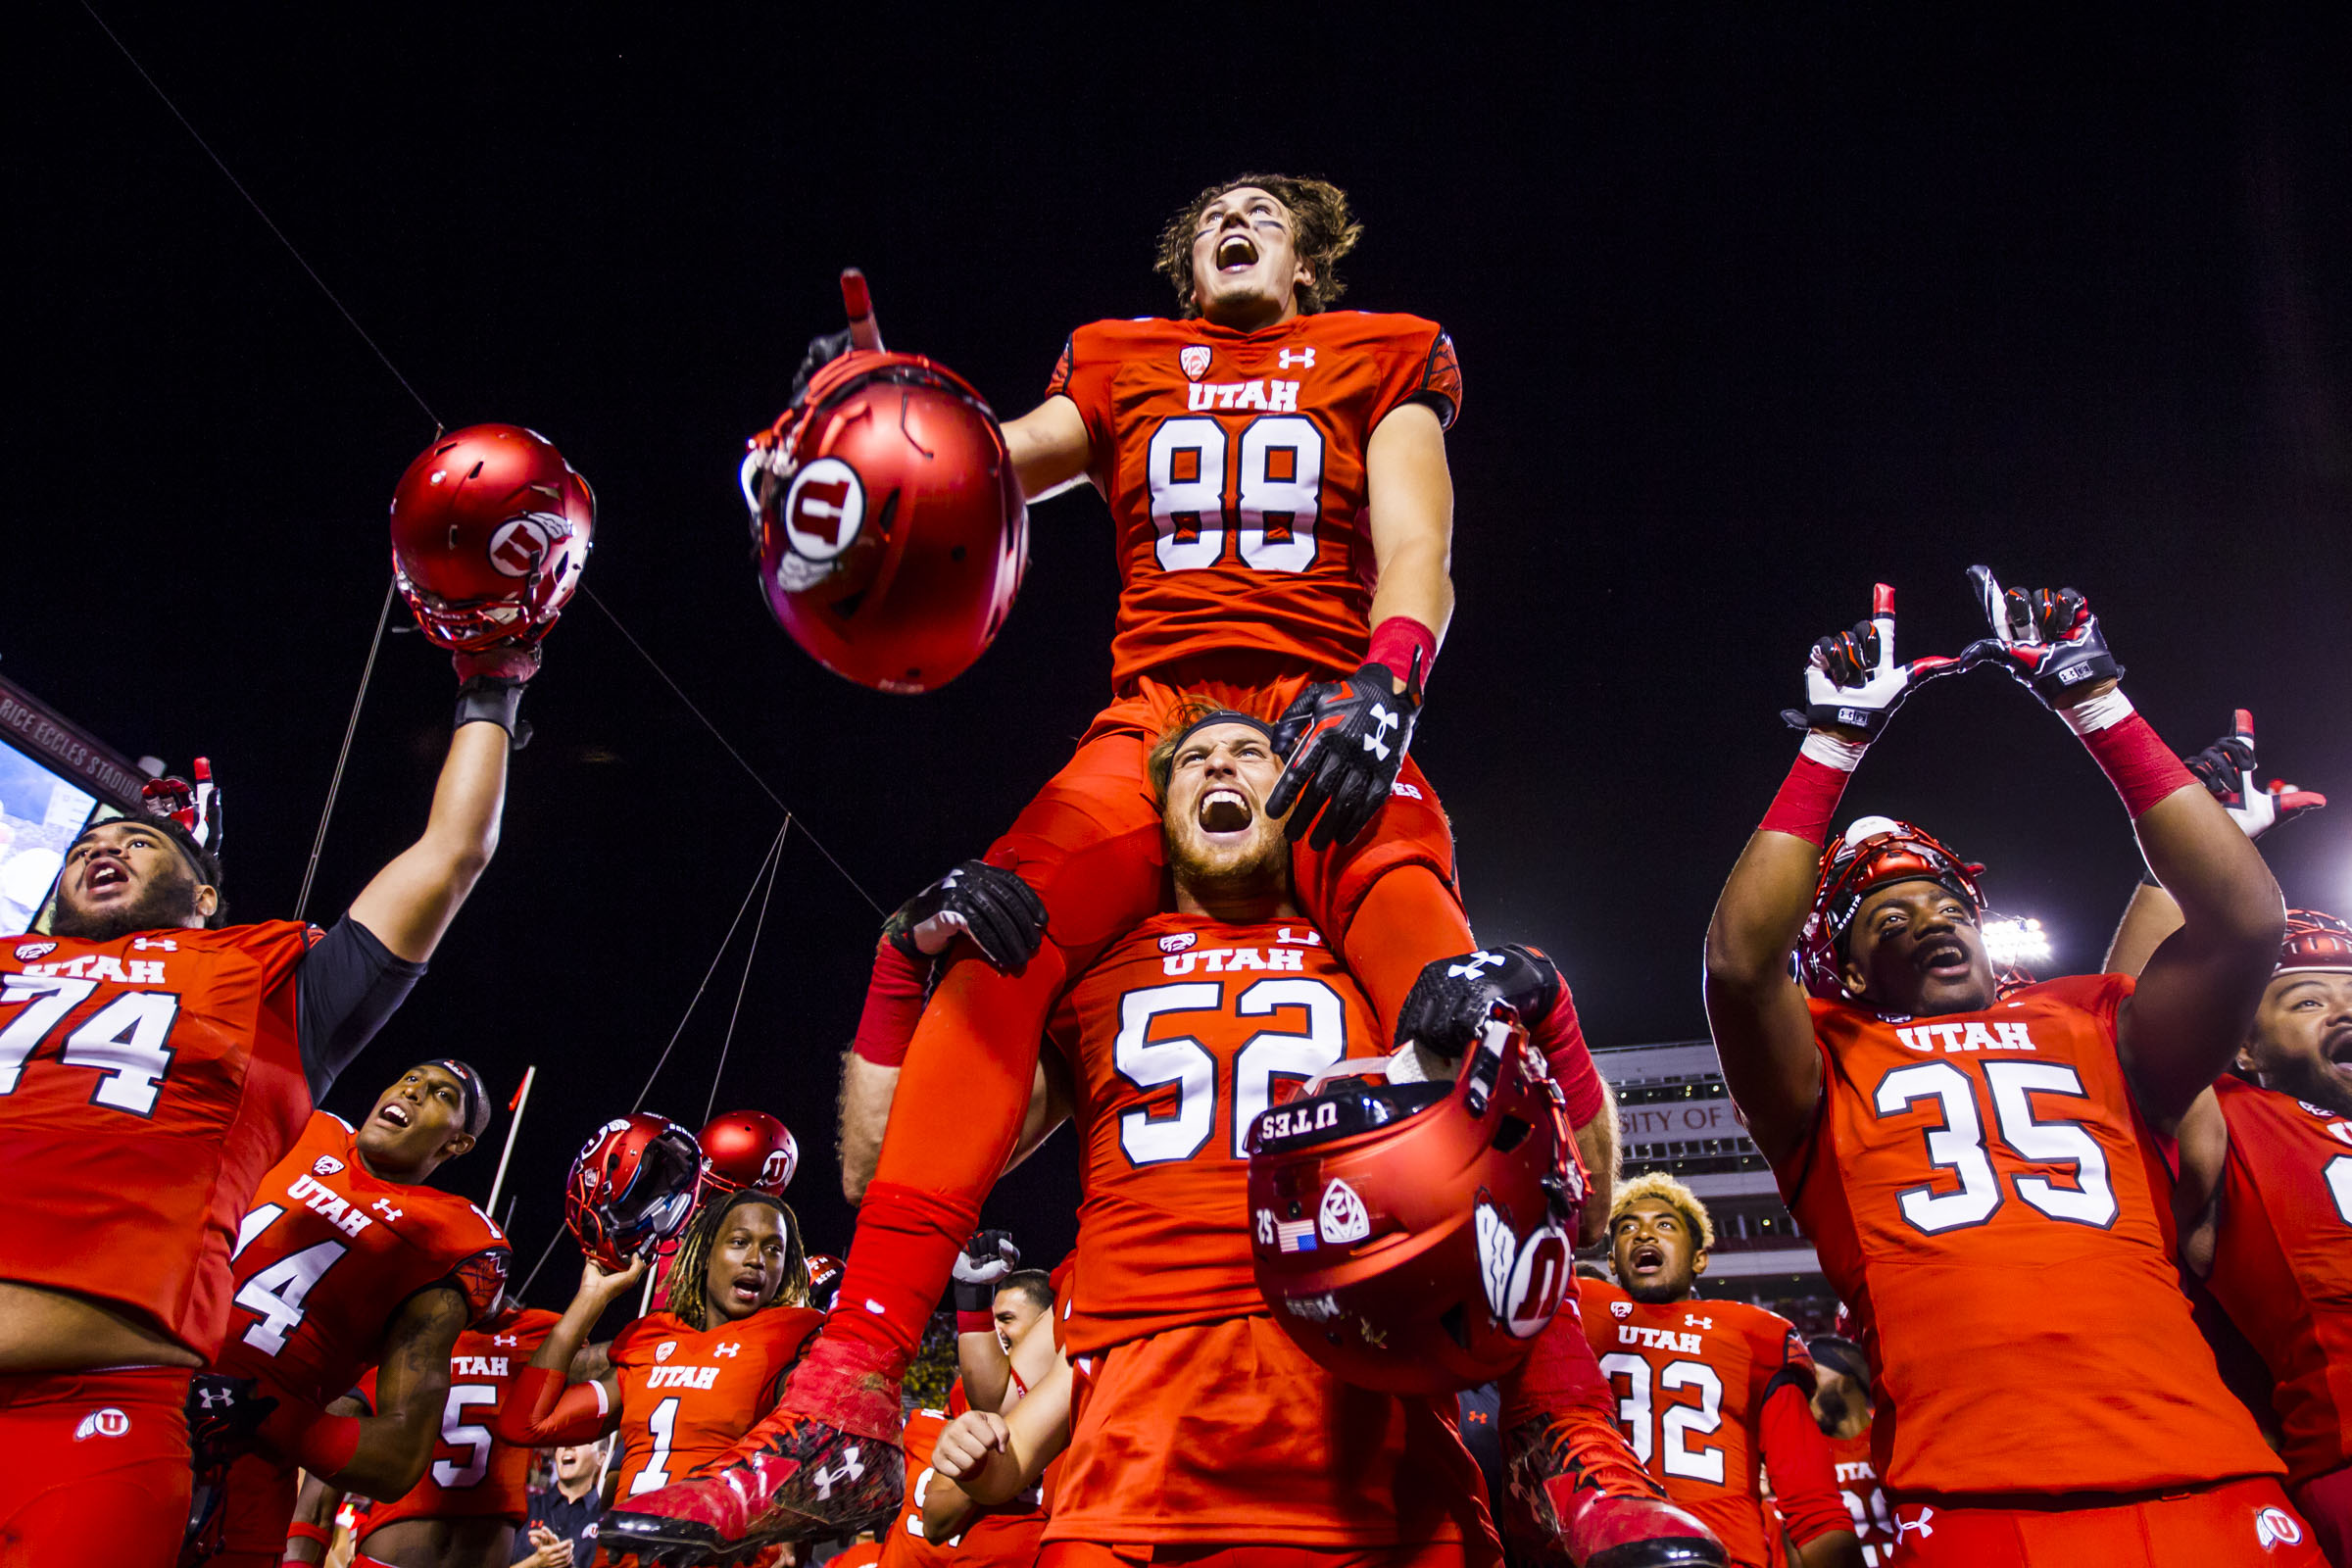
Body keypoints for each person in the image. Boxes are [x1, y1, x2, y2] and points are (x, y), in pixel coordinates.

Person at [647, 172, 1625, 1552]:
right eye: (1215, 211)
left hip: (1323, 702)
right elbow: (979, 472)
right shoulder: (1119, 361)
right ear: (1185, 257)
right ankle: (849, 1397)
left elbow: (1420, 542)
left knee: (1449, 985)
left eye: (1266, 214)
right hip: (1156, 720)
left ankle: (1558, 1432)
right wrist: (842, 442)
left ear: (1309, 255)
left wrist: (1389, 675)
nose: (1237, 221)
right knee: (990, 942)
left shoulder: (1379, 347)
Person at [782, 712, 1689, 1568]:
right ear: (1159, 813)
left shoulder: (1382, 967)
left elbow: (1587, 1201)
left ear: (1292, 792)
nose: (1220, 764)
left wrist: (1554, 1024)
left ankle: (1566, 1445)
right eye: (1191, 760)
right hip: (1132, 1483)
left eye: (1251, 754)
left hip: (1379, 1476)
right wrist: (901, 963)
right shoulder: (1093, 978)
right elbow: (875, 1168)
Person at [1699, 573, 2317, 1564]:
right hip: (1978, 1489)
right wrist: (1832, 745)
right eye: (1889, 918)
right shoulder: (1824, 1063)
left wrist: (2095, 699)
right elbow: (1738, 962)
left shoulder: (2093, 1018)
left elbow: (2244, 920)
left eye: (1947, 907)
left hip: (2210, 1466)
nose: (1933, 923)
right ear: (1847, 968)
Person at [0, 639, 530, 1565]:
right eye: (88, 842)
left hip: (101, 1404)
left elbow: (450, 856)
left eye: (138, 840)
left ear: (206, 893)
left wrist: (490, 684)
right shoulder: (15, 961)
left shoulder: (267, 980)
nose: (106, 847)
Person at [2097, 715, 2349, 1562]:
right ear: (2242, 1043)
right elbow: (2124, 1025)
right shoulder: (2240, 1120)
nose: (2345, 1014)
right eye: (2309, 1001)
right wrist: (2194, 860)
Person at [193, 1062, 514, 1566]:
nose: (414, 1089)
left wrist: (262, 1411)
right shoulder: (303, 1126)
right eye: (410, 1077)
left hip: (239, 1471)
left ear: (456, 1145)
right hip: (133, 1381)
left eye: (442, 1095)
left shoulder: (449, 1235)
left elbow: (398, 1456)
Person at [1577, 1174, 1857, 1568]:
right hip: (1602, 1552)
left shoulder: (1755, 1335)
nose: (1644, 1235)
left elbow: (1812, 1503)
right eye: (1627, 1227)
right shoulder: (1579, 1306)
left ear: (1699, 1258)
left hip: (1729, 1555)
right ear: (1611, 1261)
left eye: (1665, 1225)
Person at [490, 1187, 822, 1503]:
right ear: (706, 1253)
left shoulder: (788, 1340)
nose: (756, 1260)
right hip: (623, 1556)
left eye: (773, 1249)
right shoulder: (653, 1340)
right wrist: (590, 1300)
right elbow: (525, 1424)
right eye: (739, 1242)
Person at [282, 1288, 566, 1568]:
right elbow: (315, 1505)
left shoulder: (538, 1333)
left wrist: (595, 1293)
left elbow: (604, 1376)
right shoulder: (386, 1338)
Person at [1805, 1337, 1894, 1567]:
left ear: (1845, 1381)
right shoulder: (1803, 1447)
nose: (1806, 1391)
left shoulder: (1895, 1431)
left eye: (1813, 1378)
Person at [515, 1443, 608, 1567]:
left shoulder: (608, 1525)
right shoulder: (523, 1508)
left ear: (601, 1458)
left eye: (581, 1440)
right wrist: (534, 1563)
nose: (568, 1446)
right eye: (565, 1440)